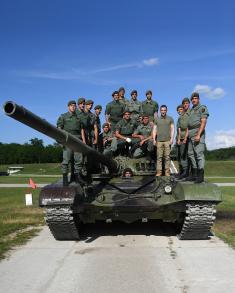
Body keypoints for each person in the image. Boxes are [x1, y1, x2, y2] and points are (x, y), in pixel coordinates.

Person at [57, 100, 85, 186]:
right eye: (71, 105)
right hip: (68, 140)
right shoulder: (63, 116)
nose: (73, 107)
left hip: (77, 140)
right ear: (68, 107)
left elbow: (82, 130)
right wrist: (61, 141)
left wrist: (83, 141)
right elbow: (59, 129)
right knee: (66, 160)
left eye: (74, 105)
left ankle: (78, 178)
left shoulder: (78, 118)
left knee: (78, 160)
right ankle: (65, 178)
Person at [185, 92, 209, 183]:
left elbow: (203, 122)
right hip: (191, 134)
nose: (193, 100)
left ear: (198, 99)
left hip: (197, 132)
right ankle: (194, 174)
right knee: (191, 154)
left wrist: (199, 134)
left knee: (199, 154)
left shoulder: (202, 108)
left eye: (195, 98)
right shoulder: (191, 110)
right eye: (192, 99)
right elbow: (189, 124)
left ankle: (200, 175)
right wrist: (187, 135)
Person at [153, 105, 174, 176]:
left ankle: (167, 172)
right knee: (159, 158)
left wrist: (172, 139)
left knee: (167, 157)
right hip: (159, 141)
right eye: (162, 110)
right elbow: (154, 130)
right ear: (160, 111)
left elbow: (172, 129)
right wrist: (154, 139)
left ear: (166, 111)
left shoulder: (170, 118)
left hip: (167, 141)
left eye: (164, 110)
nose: (163, 111)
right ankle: (159, 172)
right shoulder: (157, 119)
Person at [177, 98, 191, 180]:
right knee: (182, 155)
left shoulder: (188, 114)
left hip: (187, 137)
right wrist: (179, 139)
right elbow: (179, 129)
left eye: (186, 103)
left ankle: (187, 172)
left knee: (187, 155)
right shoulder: (180, 117)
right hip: (181, 138)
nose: (185, 105)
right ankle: (184, 172)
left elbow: (188, 127)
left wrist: (185, 138)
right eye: (184, 103)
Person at [175, 104, 184, 177]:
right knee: (179, 156)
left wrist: (178, 139)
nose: (179, 111)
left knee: (182, 156)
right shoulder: (179, 118)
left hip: (181, 139)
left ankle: (184, 172)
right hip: (178, 138)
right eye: (178, 110)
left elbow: (180, 129)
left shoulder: (183, 118)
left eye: (180, 109)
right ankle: (181, 172)